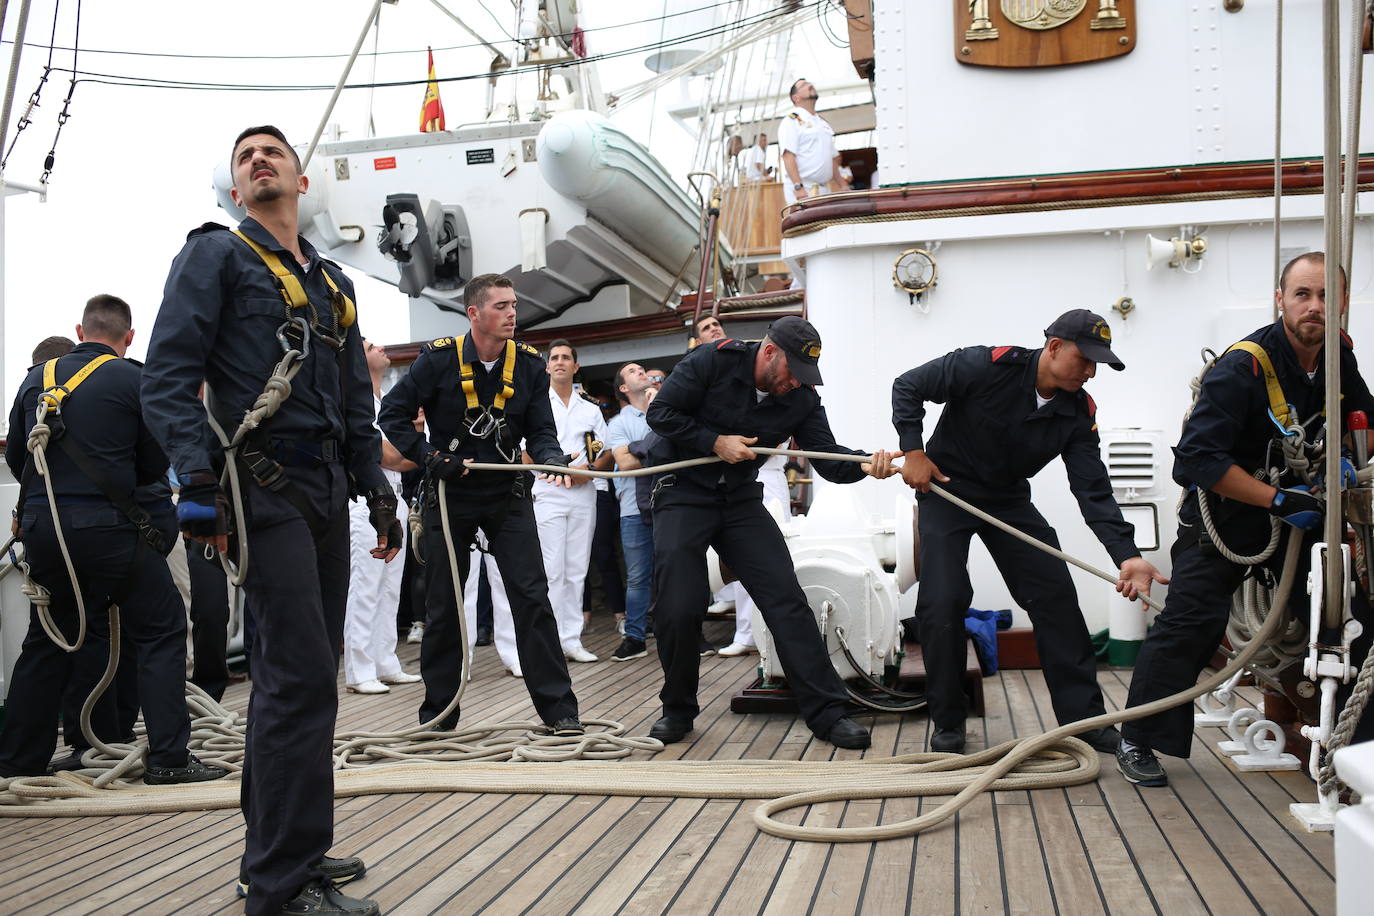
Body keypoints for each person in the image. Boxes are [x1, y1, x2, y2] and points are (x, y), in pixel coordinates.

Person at [142, 126, 398, 916]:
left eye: (272, 153)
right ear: (235, 184)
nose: (259, 161)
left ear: (301, 179)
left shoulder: (333, 287)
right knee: (294, 683)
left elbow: (357, 405)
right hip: (263, 487)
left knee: (303, 682)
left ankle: (294, 852)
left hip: (326, 490)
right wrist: (197, 481)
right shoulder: (215, 256)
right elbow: (168, 377)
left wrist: (379, 492)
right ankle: (278, 888)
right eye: (245, 156)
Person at [1118, 252, 1374, 787]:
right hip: (1228, 520)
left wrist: (1352, 459)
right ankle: (1138, 737)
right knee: (1192, 623)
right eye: (1303, 294)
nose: (1315, 307)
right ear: (1280, 300)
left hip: (1304, 516)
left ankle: (1357, 745)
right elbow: (1194, 461)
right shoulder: (1245, 365)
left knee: (1345, 615)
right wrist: (1276, 501)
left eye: (1327, 296)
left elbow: (1367, 420)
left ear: (1344, 303)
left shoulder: (1338, 358)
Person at [892, 309, 1168, 754]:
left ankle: (1084, 721)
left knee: (1055, 594)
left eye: (1098, 364)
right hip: (946, 491)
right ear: (1054, 347)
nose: (1090, 372)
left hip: (1007, 500)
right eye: (1084, 359)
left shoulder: (1077, 413)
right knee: (942, 599)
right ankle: (948, 722)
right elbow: (908, 385)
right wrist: (913, 451)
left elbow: (1092, 489)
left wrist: (1127, 554)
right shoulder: (985, 365)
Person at [0, 295, 227, 788]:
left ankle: (18, 760)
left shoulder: (33, 381)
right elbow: (151, 466)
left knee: (47, 641)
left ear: (79, 331)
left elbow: (20, 460)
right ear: (129, 338)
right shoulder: (134, 380)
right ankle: (169, 757)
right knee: (161, 630)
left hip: (45, 533)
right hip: (111, 534)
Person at [644, 316, 895, 748]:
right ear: (769, 352)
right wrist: (714, 441)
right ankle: (678, 709)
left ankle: (828, 712)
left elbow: (829, 459)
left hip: (739, 500)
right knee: (679, 607)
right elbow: (660, 414)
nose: (797, 383)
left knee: (786, 599)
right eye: (793, 372)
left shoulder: (802, 398)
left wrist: (866, 464)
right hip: (682, 493)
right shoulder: (712, 361)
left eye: (805, 377)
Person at [377, 273, 583, 737]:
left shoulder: (529, 365)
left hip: (506, 496)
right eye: (501, 307)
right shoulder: (437, 360)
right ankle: (439, 715)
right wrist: (431, 458)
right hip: (449, 495)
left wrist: (551, 459)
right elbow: (391, 415)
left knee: (532, 599)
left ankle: (560, 713)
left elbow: (542, 430)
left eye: (514, 305)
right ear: (474, 313)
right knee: (445, 605)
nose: (513, 314)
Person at [343, 341, 421, 695]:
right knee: (366, 586)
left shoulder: (387, 401)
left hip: (397, 497)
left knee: (390, 588)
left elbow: (405, 447)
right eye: (372, 346)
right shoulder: (352, 398)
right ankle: (360, 669)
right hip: (366, 502)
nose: (382, 348)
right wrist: (416, 455)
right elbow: (383, 453)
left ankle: (385, 661)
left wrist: (411, 451)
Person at [532, 339, 613, 662]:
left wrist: (589, 471)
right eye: (555, 358)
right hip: (548, 490)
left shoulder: (590, 408)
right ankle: (550, 641)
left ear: (576, 367)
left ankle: (571, 639)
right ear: (547, 366)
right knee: (551, 570)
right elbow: (526, 449)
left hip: (583, 491)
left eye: (567, 357)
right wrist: (553, 469)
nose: (561, 362)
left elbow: (606, 452)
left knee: (577, 568)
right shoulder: (537, 404)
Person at [606, 362, 658, 662]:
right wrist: (658, 448)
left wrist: (639, 448)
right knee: (638, 576)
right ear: (624, 388)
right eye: (633, 371)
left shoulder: (665, 411)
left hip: (670, 503)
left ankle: (686, 633)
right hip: (632, 510)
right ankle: (635, 638)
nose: (641, 372)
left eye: (642, 369)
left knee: (676, 571)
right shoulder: (618, 423)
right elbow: (624, 464)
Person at [778, 79, 849, 206]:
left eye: (810, 83)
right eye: (804, 85)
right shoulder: (791, 121)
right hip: (803, 189)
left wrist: (843, 185)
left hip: (824, 190)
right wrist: (798, 188)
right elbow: (788, 156)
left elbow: (831, 158)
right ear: (796, 98)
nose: (810, 85)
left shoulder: (822, 123)